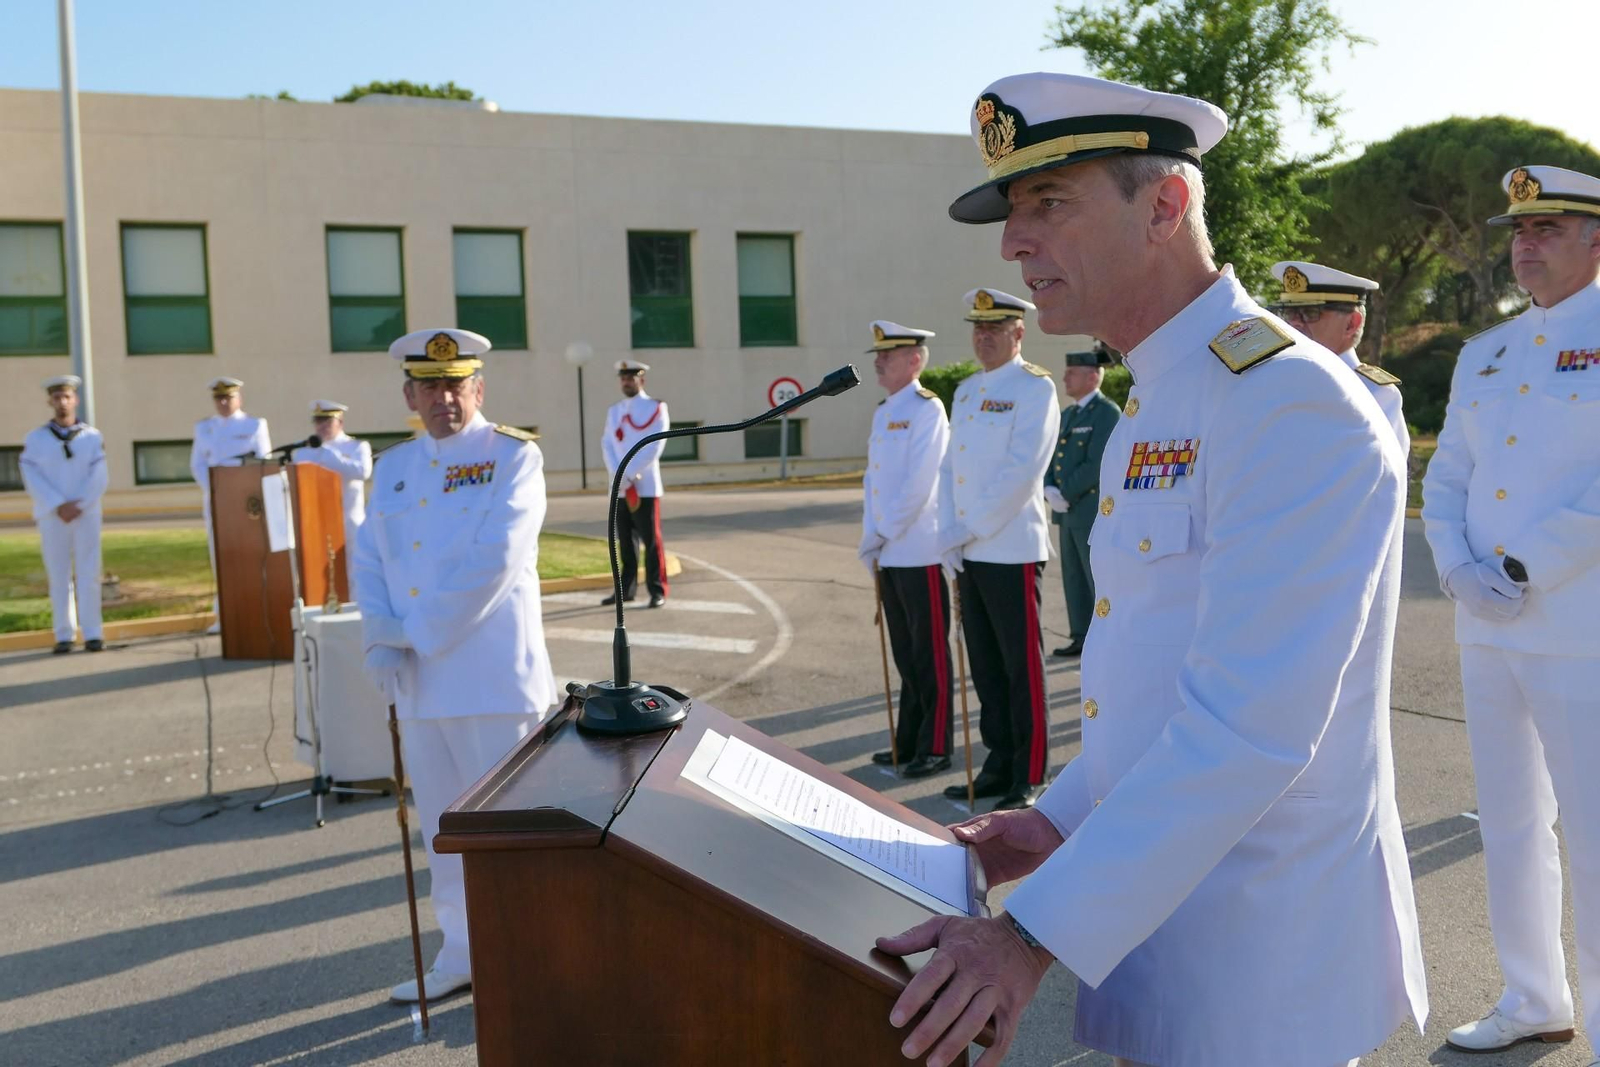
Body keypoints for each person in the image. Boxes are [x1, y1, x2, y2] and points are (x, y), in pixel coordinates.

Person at [878, 72, 1426, 1067]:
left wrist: (1029, 932)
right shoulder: (1166, 398)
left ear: (1165, 205)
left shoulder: (1289, 404)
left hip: (1260, 957)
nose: (1012, 243)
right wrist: (1053, 819)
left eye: (1049, 203)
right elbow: (1152, 692)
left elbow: (1250, 725)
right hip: (1166, 926)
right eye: (1011, 212)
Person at [1422, 164, 1600, 1064]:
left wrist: (1526, 564)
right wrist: (1455, 565)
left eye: (1549, 229)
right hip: (1486, 621)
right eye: (1519, 232)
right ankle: (1534, 995)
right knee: (1511, 818)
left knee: (1596, 822)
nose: (1525, 245)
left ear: (1597, 240)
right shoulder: (1484, 351)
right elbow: (1447, 471)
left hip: (1577, 623)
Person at [352, 327, 557, 1004]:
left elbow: (493, 562)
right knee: (443, 828)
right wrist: (381, 638)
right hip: (419, 683)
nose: (444, 398)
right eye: (430, 386)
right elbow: (370, 559)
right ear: (410, 393)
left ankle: (529, 955)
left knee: (508, 831)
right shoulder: (395, 466)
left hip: (493, 677)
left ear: (479, 388)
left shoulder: (512, 457)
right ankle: (464, 951)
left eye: (456, 384)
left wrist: (412, 632)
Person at [936, 286, 1059, 811]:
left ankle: (1027, 773)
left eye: (995, 329)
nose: (984, 337)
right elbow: (950, 469)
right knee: (985, 664)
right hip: (968, 549)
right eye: (978, 328)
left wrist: (969, 526)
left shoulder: (1035, 390)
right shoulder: (965, 391)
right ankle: (997, 761)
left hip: (1010, 547)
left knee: (1019, 667)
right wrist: (948, 532)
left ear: (1018, 334)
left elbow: (1022, 470)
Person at [859, 320, 955, 778]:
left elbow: (921, 482)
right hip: (890, 552)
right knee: (904, 654)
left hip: (921, 550)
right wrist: (870, 540)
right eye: (878, 354)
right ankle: (909, 741)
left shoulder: (927, 410)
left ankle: (936, 746)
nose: (878, 361)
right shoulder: (884, 411)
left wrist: (884, 530)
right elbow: (873, 484)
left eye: (888, 354)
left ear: (914, 360)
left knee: (930, 654)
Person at [1269, 260, 1410, 455]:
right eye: (1290, 312)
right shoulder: (1275, 381)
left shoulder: (1377, 394)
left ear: (1351, 323)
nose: (1294, 322)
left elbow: (1391, 478)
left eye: (1310, 312)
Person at [19, 376, 108, 654]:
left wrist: (78, 505)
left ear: (75, 400)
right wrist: (58, 504)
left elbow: (99, 476)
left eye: (67, 397)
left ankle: (93, 632)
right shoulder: (35, 439)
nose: (62, 402)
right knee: (59, 575)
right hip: (52, 515)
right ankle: (64, 634)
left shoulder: (93, 437)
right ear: (50, 401)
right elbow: (31, 475)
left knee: (89, 572)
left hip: (86, 513)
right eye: (57, 398)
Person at [1042, 345, 1120, 657]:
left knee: (1094, 579)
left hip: (1088, 510)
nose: (1064, 378)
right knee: (1073, 578)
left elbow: (1096, 463)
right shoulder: (1070, 414)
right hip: (1067, 512)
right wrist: (1048, 487)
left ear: (1092, 377)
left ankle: (1105, 639)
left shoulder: (1106, 412)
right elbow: (1051, 455)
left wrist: (1066, 492)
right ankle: (1080, 635)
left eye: (1071, 373)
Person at [189, 377, 270, 630]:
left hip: (246, 501)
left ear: (239, 398)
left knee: (250, 555)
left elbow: (263, 461)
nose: (223, 402)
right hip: (216, 500)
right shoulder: (205, 428)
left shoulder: (254, 424)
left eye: (228, 397)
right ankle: (223, 615)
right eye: (218, 398)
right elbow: (198, 463)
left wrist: (242, 491)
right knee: (220, 556)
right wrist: (214, 489)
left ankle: (255, 611)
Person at [601, 359, 670, 608]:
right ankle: (625, 590)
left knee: (651, 541)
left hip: (645, 486)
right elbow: (607, 444)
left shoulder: (656, 408)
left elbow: (655, 446)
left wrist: (629, 474)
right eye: (623, 378)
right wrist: (618, 474)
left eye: (631, 377)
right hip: (619, 487)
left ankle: (657, 590)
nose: (626, 382)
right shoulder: (615, 410)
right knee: (625, 542)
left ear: (642, 380)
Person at [292, 399, 373, 587]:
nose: (322, 426)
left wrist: (328, 455)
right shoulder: (303, 452)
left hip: (348, 521)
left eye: (328, 421)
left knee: (352, 571)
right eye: (318, 421)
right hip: (315, 521)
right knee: (318, 573)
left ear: (340, 422)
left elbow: (362, 472)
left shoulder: (356, 447)